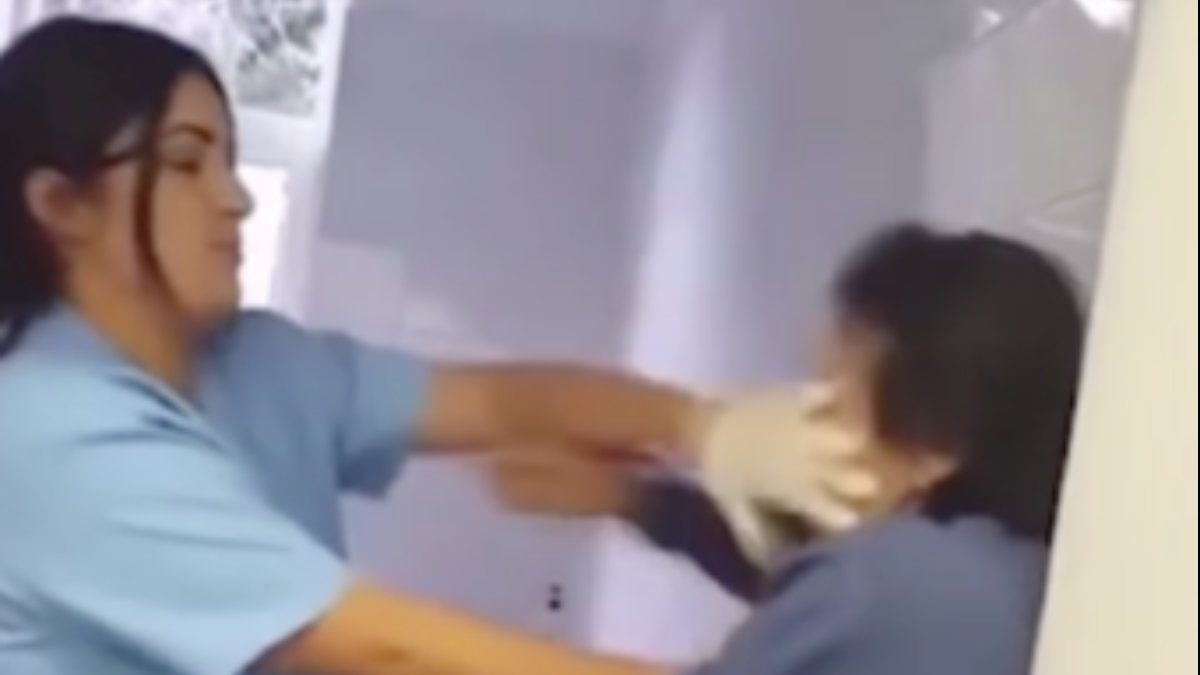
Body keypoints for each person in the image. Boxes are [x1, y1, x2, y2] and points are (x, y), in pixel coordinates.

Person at [0, 18, 875, 675]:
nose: (236, 198)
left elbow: (501, 401)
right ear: (61, 205)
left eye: (229, 162)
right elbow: (380, 647)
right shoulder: (49, 435)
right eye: (188, 164)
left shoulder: (259, 361)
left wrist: (705, 426)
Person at [493, 224, 1085, 675]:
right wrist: (634, 499)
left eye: (829, 405)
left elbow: (833, 600)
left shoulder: (877, 584)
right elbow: (801, 596)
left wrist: (457, 644)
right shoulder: (1012, 573)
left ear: (935, 445)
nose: (798, 428)